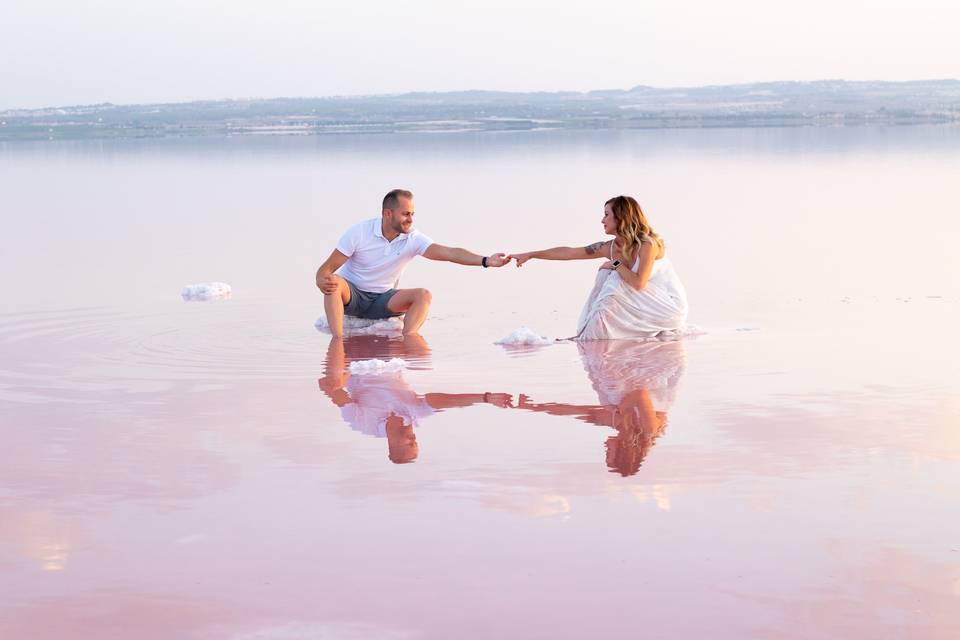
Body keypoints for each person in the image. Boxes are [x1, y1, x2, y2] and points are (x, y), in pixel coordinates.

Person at [315, 189, 510, 337]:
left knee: (423, 295)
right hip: (353, 296)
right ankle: (337, 342)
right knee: (333, 281)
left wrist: (486, 260)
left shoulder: (412, 238)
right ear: (387, 214)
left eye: (412, 214)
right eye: (405, 214)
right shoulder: (359, 232)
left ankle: (409, 339)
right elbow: (326, 269)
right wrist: (320, 280)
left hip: (384, 300)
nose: (410, 219)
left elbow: (450, 253)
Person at [512, 195, 688, 340]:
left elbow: (639, 283)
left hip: (668, 307)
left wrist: (616, 264)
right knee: (607, 274)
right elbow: (570, 253)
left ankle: (588, 336)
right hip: (643, 305)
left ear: (621, 218)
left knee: (613, 277)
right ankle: (590, 333)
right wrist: (531, 254)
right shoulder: (610, 247)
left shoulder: (647, 244)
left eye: (606, 215)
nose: (602, 220)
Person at [318, 334, 513, 464]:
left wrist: (342, 376)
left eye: (410, 444)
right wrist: (486, 398)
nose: (414, 438)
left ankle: (342, 334)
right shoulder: (414, 416)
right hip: (389, 354)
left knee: (335, 378)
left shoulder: (362, 424)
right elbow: (445, 402)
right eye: (415, 443)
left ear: (393, 446)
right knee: (423, 360)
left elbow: (331, 389)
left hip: (356, 361)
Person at [515, 339, 686, 476]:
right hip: (657, 368)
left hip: (634, 373)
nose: (605, 448)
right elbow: (641, 394)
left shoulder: (618, 424)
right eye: (608, 453)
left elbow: (572, 410)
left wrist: (534, 406)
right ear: (622, 451)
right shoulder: (649, 430)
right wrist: (621, 408)